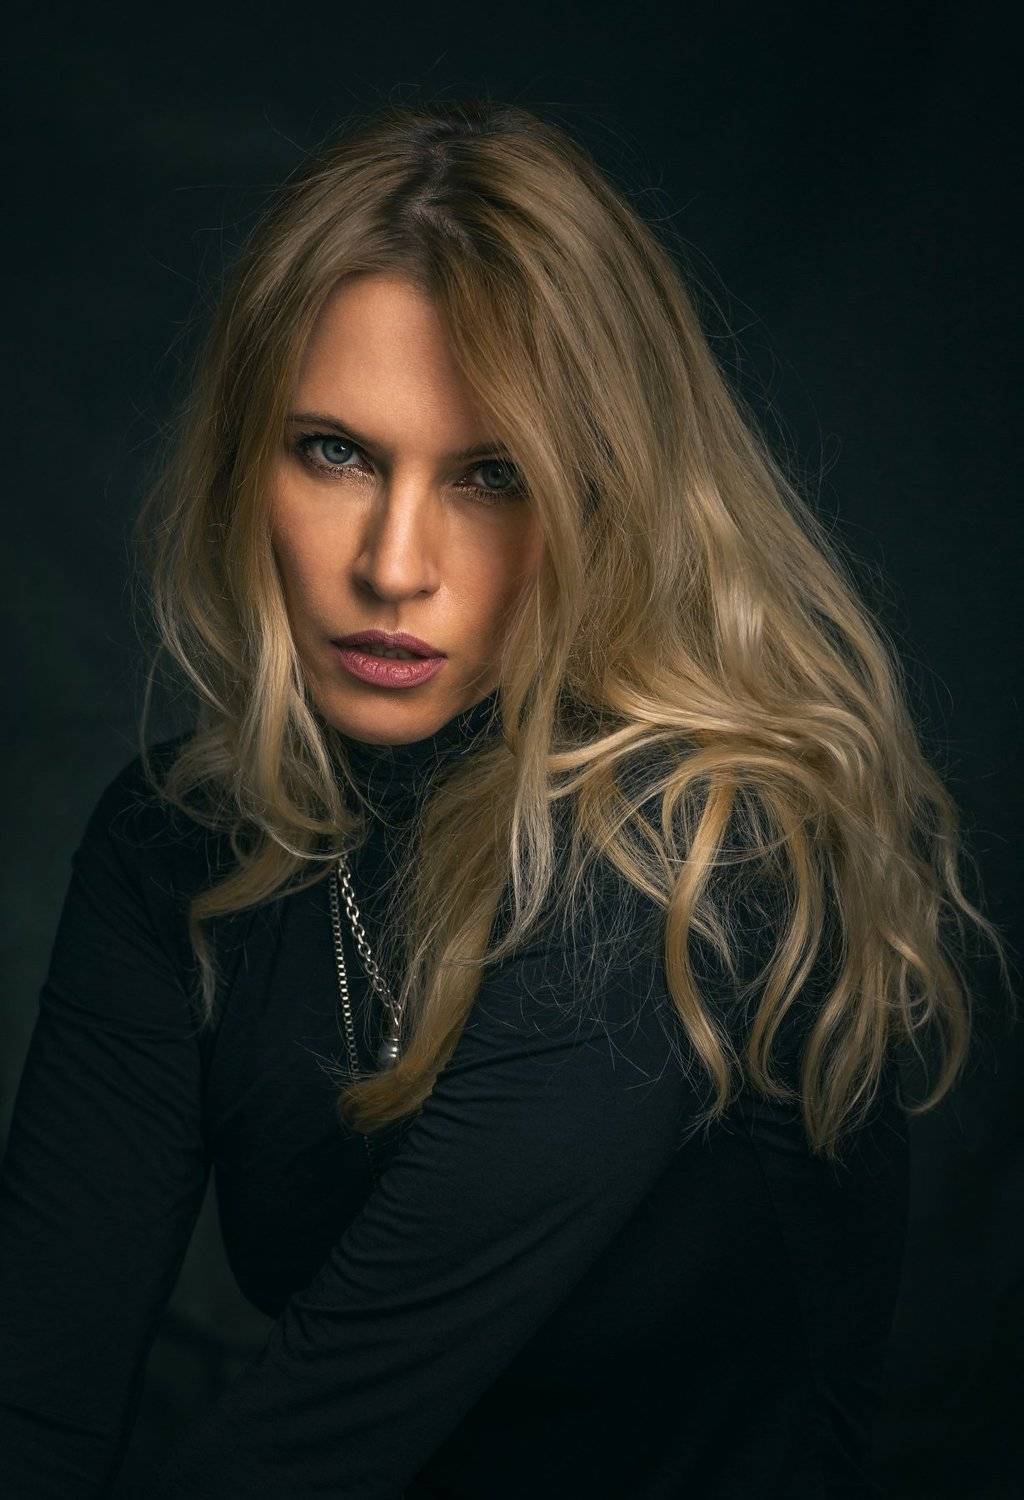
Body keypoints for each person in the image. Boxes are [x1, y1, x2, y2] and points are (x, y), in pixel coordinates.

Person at [0, 97, 1009, 1499]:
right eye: (336, 452)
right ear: (244, 460)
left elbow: (323, 1435)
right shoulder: (175, 843)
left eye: (492, 476)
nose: (393, 564)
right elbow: (38, 1390)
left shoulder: (690, 852)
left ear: (606, 496)